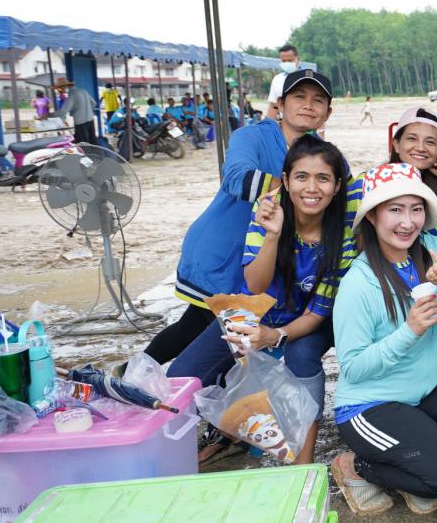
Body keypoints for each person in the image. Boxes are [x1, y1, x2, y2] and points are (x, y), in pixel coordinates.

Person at [331, 163, 437, 515]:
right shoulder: (359, 283)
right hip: (370, 404)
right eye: (395, 210)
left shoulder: (434, 248)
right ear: (373, 217)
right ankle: (355, 466)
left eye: (415, 209)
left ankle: (416, 462)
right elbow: (354, 368)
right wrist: (409, 332)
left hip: (423, 393)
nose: (407, 222)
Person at [168, 136, 353, 464]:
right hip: (254, 311)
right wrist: (273, 235)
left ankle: (303, 465)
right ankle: (206, 441)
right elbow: (256, 285)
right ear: (286, 180)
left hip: (306, 321)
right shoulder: (267, 211)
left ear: (337, 186)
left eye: (323, 178)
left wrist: (275, 336)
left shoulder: (343, 236)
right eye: (302, 177)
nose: (312, 188)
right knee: (182, 375)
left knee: (302, 357)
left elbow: (318, 312)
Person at [145, 70, 339, 363]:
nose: (308, 105)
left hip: (268, 259)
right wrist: (296, 188)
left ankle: (148, 376)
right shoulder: (251, 136)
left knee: (220, 336)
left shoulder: (322, 151)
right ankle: (134, 374)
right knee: (202, 330)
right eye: (299, 97)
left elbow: (345, 195)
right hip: (224, 253)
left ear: (327, 113)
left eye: (318, 100)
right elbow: (236, 177)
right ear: (280, 104)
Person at [59, 80, 97, 147]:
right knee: (92, 141)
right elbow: (94, 103)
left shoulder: (72, 94)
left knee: (83, 145)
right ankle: (94, 154)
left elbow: (63, 111)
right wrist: (87, 110)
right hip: (90, 120)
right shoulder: (83, 91)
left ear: (65, 87)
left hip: (80, 123)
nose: (61, 90)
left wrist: (48, 115)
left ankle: (86, 154)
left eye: (60, 88)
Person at [267, 45, 300, 121]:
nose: (287, 63)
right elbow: (273, 106)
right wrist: (268, 125)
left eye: (290, 60)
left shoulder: (308, 78)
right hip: (284, 124)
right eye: (284, 61)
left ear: (297, 59)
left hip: (305, 125)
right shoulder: (277, 79)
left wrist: (320, 128)